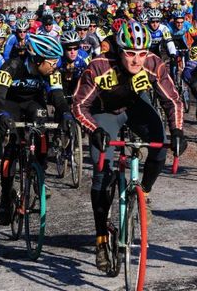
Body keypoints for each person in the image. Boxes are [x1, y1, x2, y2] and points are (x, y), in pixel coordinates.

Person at [72, 20, 187, 273]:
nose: (136, 61)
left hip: (134, 108)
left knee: (159, 142)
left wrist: (178, 131)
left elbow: (173, 100)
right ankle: (101, 236)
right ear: (119, 51)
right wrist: (95, 130)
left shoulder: (154, 64)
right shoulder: (99, 66)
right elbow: (79, 106)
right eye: (130, 54)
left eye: (142, 54)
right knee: (102, 171)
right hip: (105, 112)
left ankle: (143, 191)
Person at [0, 33, 75, 226]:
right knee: (11, 147)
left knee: (42, 131)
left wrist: (66, 114)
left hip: (33, 103)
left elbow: (58, 96)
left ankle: (39, 175)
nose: (55, 65)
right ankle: (5, 197)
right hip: (10, 103)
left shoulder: (52, 72)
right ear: (37, 60)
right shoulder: (12, 66)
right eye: (51, 62)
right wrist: (2, 115)